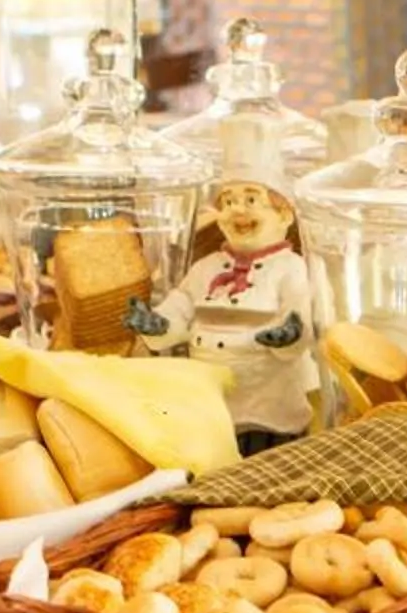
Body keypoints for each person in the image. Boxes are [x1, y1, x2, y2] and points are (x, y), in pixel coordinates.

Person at [129, 177, 316, 449]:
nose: (238, 210)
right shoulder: (206, 267)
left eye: (251, 200)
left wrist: (288, 335)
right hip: (209, 407)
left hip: (267, 408)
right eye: (228, 202)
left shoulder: (292, 268)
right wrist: (156, 324)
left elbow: (300, 313)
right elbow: (180, 306)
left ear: (284, 215)